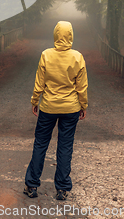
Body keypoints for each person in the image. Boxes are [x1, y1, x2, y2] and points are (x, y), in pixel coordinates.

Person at [24, 20, 88, 201]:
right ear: (71, 36)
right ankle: (62, 189)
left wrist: (35, 100)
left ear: (55, 35)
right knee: (65, 146)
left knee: (40, 144)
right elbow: (81, 87)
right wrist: (83, 105)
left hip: (48, 107)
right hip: (71, 108)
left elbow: (39, 82)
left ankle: (32, 186)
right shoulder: (78, 57)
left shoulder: (46, 55)